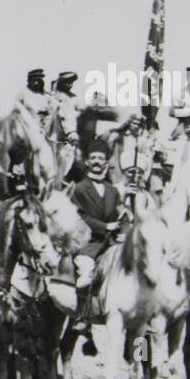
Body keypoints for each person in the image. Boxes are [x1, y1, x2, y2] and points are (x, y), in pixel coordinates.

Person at [68, 138, 129, 342]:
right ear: (87, 162)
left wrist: (125, 218)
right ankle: (83, 317)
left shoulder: (113, 190)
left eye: (101, 158)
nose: (96, 162)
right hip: (88, 242)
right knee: (85, 272)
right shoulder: (78, 189)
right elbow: (80, 216)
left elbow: (120, 211)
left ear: (106, 163)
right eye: (93, 158)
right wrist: (105, 227)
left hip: (112, 241)